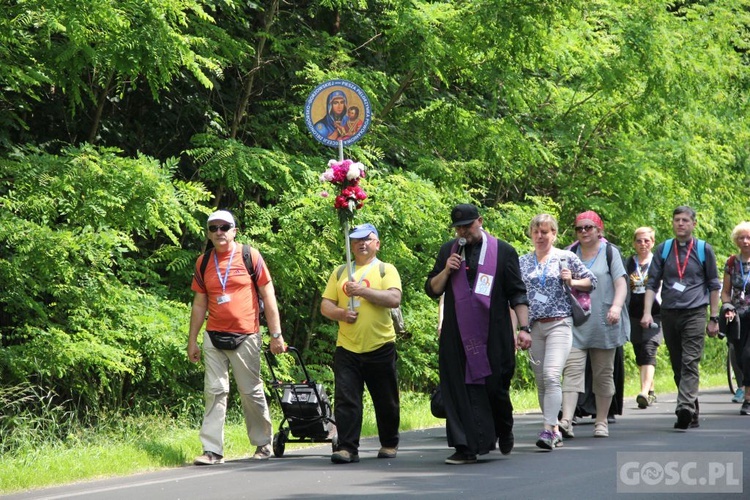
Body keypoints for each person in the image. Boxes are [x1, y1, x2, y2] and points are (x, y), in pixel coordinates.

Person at [425, 204, 530, 464]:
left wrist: (525, 329)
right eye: (458, 227)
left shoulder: (503, 252)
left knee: (496, 389)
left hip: (493, 333)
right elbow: (432, 289)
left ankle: (503, 427)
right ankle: (465, 447)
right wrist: (447, 270)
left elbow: (517, 292)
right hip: (456, 333)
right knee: (459, 389)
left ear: (480, 221)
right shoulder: (448, 251)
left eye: (468, 226)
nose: (463, 232)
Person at [187, 210, 286, 465]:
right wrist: (192, 340)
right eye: (213, 228)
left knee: (250, 391)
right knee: (215, 391)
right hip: (214, 335)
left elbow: (268, 296)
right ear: (208, 233)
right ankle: (212, 450)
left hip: (247, 334)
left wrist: (276, 335)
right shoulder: (204, 262)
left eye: (224, 227)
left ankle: (263, 444)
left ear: (234, 230)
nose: (219, 232)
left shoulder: (249, 255)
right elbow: (199, 305)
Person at [321, 223, 402, 464]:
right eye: (356, 240)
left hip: (380, 345)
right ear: (350, 245)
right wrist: (341, 314)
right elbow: (326, 305)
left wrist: (363, 292)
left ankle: (389, 442)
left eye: (367, 239)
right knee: (347, 399)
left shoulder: (386, 270)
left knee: (385, 399)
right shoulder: (340, 271)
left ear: (377, 243)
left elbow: (394, 298)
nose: (361, 244)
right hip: (347, 347)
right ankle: (347, 448)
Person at [518, 213, 595, 450]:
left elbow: (591, 282)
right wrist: (518, 329)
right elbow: (515, 296)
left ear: (554, 234)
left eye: (545, 232)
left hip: (559, 323)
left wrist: (572, 281)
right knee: (541, 381)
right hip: (534, 327)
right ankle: (552, 430)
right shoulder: (522, 261)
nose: (540, 236)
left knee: (552, 375)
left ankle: (548, 429)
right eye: (536, 232)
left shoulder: (565, 257)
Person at [641, 206, 721, 429]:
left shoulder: (705, 250)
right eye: (677, 220)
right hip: (669, 312)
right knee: (678, 364)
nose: (681, 224)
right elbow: (651, 283)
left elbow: (714, 285)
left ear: (694, 224)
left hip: (695, 312)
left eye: (685, 220)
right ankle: (691, 409)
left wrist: (714, 317)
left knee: (690, 361)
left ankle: (684, 407)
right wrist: (647, 312)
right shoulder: (664, 249)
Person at [559, 211, 629, 440]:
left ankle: (601, 421)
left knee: (603, 375)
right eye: (580, 228)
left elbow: (621, 284)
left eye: (589, 227)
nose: (584, 232)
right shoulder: (569, 253)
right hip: (577, 323)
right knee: (571, 372)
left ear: (600, 230)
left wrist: (617, 307)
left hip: (604, 321)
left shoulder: (610, 252)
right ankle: (566, 420)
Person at [626, 227, 663, 409]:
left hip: (656, 312)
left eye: (647, 240)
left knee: (649, 349)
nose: (643, 244)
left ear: (653, 242)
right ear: (634, 243)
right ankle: (651, 389)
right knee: (639, 351)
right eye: (639, 241)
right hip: (633, 313)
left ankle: (643, 392)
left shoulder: (658, 262)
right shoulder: (628, 263)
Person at [720, 221, 750, 415]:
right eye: (742, 237)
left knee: (749, 355)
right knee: (739, 357)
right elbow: (725, 292)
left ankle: (747, 398)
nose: (745, 241)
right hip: (738, 316)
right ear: (736, 241)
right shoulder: (731, 263)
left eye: (748, 237)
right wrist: (727, 306)